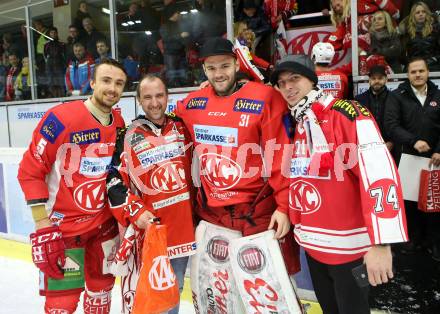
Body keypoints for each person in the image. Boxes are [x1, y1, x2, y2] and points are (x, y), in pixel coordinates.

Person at [271, 54, 408, 314]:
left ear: (312, 80)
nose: (288, 87)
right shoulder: (295, 121)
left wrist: (382, 243)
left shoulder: (348, 114)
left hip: (351, 252)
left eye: (294, 79)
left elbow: (380, 174)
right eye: (281, 82)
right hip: (313, 247)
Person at [175, 38, 299, 311]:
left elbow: (280, 156)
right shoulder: (193, 103)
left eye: (225, 66)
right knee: (220, 298)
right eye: (211, 68)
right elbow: (169, 126)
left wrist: (284, 206)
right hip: (213, 217)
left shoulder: (264, 98)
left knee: (270, 297)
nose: (219, 74)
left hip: (258, 215)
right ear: (204, 72)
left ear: (236, 64)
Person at [17, 58, 128, 314]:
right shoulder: (60, 117)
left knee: (101, 298)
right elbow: (30, 171)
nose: (112, 88)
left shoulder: (120, 124)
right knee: (61, 306)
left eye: (119, 83)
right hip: (64, 232)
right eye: (106, 80)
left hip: (103, 229)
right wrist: (42, 224)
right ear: (92, 82)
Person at [106, 75, 195, 314]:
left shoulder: (183, 127)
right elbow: (112, 181)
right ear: (138, 100)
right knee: (151, 302)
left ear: (167, 97)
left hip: (183, 233)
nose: (154, 103)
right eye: (147, 97)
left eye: (159, 96)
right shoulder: (127, 136)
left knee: (172, 296)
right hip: (151, 234)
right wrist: (136, 211)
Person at [384, 57, 440, 260]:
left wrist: (439, 150)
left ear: (427, 73)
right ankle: (413, 240)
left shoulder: (438, 95)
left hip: (434, 160)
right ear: (407, 75)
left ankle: (434, 243)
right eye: (413, 72)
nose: (417, 75)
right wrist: (414, 140)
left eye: (421, 71)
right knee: (409, 203)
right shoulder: (397, 95)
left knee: (434, 204)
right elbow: (391, 125)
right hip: (407, 158)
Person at [355, 65, 397, 156]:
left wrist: (393, 142)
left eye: (380, 78)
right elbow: (356, 125)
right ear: (369, 80)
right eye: (373, 78)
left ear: (386, 79)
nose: (377, 81)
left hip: (391, 147)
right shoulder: (359, 100)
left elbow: (400, 122)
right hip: (367, 147)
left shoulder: (395, 98)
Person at [399, 1, 440, 71]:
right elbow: (402, 55)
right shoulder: (406, 31)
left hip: (433, 65)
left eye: (423, 12)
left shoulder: (436, 29)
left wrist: (434, 59)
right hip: (414, 65)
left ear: (427, 13)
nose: (421, 14)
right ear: (413, 15)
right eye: (417, 12)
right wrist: (412, 62)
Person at [44, 27, 66, 97]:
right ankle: (52, 97)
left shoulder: (61, 43)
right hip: (50, 66)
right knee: (50, 84)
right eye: (51, 32)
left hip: (59, 65)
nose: (53, 34)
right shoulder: (46, 44)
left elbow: (64, 55)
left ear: (57, 34)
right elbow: (45, 56)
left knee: (61, 83)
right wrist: (48, 65)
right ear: (49, 34)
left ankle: (63, 97)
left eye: (54, 32)